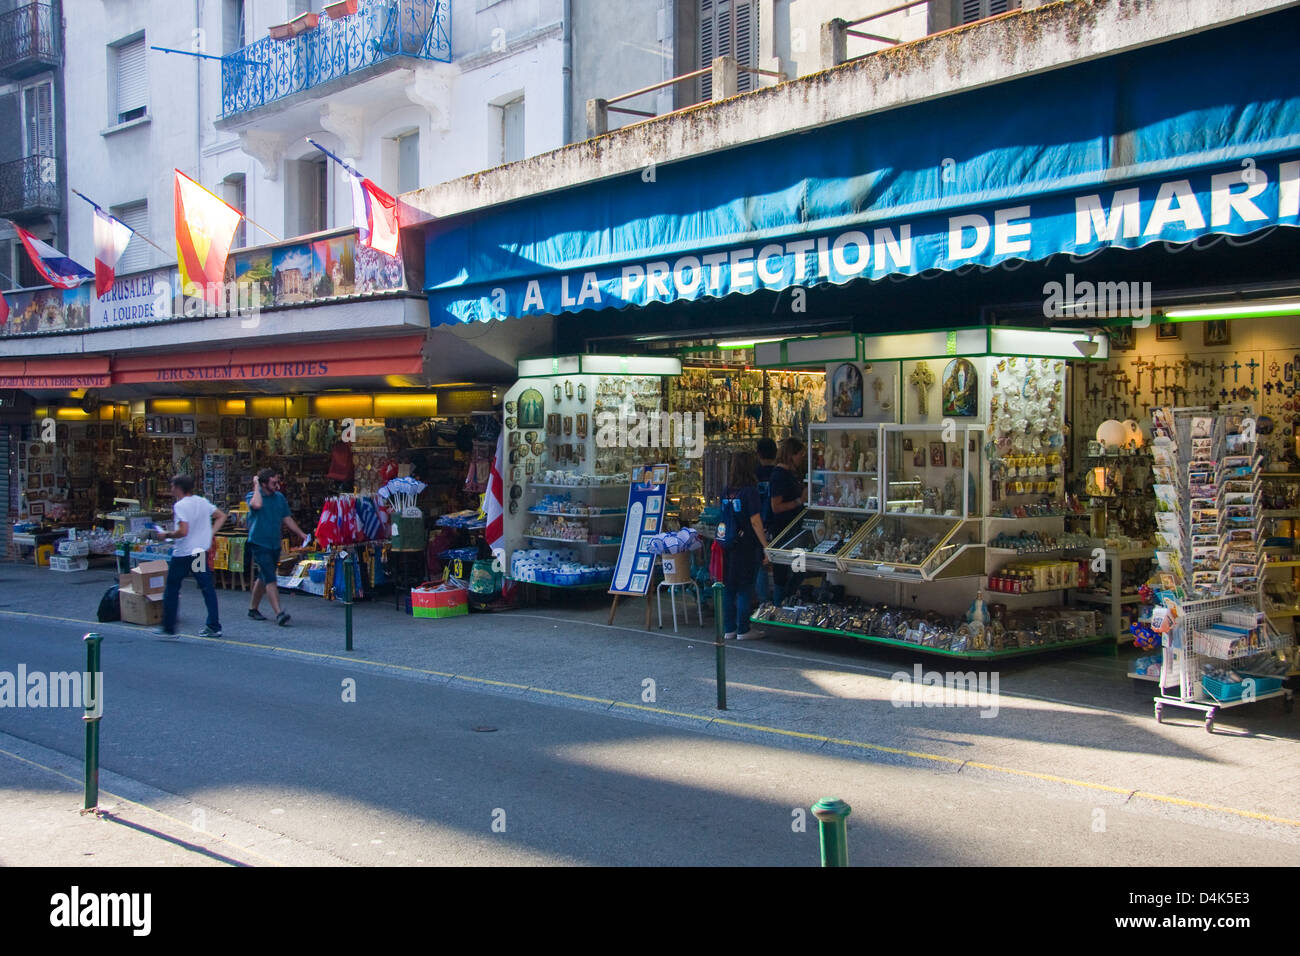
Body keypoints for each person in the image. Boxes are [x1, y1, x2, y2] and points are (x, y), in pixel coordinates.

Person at [152, 474, 227, 638]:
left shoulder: (180, 506)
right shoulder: (202, 501)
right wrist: (210, 533)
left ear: (179, 488)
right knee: (207, 587)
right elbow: (221, 516)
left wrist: (166, 534)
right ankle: (214, 625)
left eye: (172, 486)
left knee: (172, 587)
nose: (171, 489)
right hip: (199, 551)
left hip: (184, 553)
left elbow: (183, 531)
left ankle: (169, 627)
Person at [246, 467, 310, 626]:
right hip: (259, 542)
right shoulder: (253, 496)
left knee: (264, 575)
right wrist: (256, 485)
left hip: (274, 543)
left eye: (277, 482)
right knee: (270, 577)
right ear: (263, 484)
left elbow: (286, 518)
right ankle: (279, 613)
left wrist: (301, 534)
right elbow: (256, 505)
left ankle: (253, 608)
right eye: (273, 483)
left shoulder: (279, 497)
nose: (277, 485)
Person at [719, 451, 771, 641]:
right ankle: (743, 628)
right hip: (746, 544)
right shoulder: (750, 491)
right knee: (745, 587)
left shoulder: (726, 491)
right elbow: (755, 521)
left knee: (729, 586)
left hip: (728, 544)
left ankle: (729, 628)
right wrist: (766, 546)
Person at [767, 437, 807, 603]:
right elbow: (776, 507)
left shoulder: (791, 474)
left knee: (799, 569)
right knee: (783, 573)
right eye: (800, 455)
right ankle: (780, 604)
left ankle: (788, 600)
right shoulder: (779, 476)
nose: (802, 458)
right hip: (784, 532)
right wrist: (799, 501)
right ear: (791, 454)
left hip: (795, 531)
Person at [753, 437, 778, 603]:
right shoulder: (779, 473)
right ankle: (780, 598)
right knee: (779, 562)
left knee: (760, 563)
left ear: (758, 454)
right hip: (777, 522)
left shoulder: (753, 475)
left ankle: (764, 602)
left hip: (757, 523)